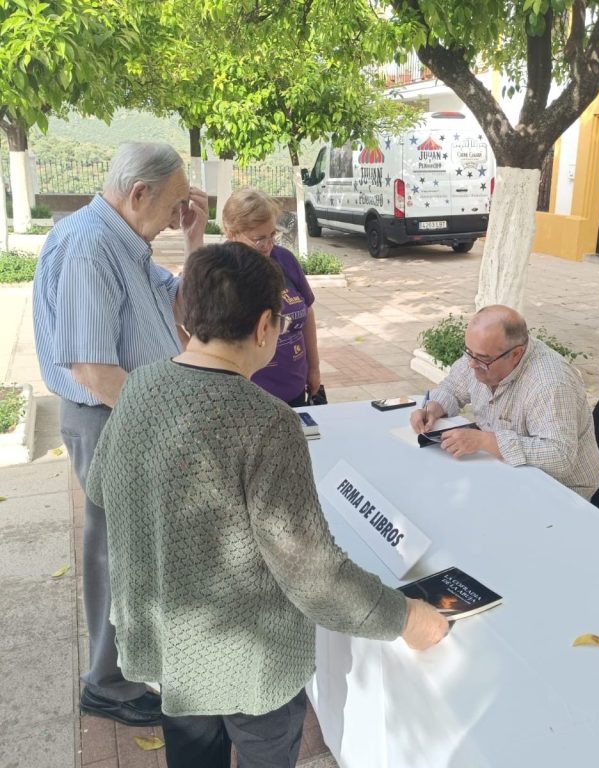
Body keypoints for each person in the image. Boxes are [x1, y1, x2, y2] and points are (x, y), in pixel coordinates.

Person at [85, 242, 449, 768]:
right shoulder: (267, 421)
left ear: (187, 314)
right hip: (249, 663)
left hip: (170, 647)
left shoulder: (140, 385)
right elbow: (314, 575)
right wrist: (406, 617)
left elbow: (103, 490)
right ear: (263, 327)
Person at [32, 142, 208, 725]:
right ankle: (107, 682)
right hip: (112, 416)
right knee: (115, 551)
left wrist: (195, 240)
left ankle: (126, 666)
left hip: (127, 413)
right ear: (139, 194)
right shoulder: (91, 247)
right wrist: (163, 417)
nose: (179, 214)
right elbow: (92, 369)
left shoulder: (124, 240)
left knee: (129, 547)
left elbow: (181, 308)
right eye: (176, 204)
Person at [410, 305, 599, 499]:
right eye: (469, 352)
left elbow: (559, 456)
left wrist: (485, 441)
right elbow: (453, 387)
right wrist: (434, 407)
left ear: (516, 354)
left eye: (483, 359)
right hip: (506, 470)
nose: (471, 364)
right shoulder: (482, 352)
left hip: (562, 490)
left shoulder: (550, 384)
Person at [222, 187, 321, 406]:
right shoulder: (221, 272)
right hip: (249, 396)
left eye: (272, 236)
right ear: (232, 233)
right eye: (259, 239)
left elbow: (307, 311)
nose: (268, 247)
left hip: (294, 387)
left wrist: (314, 368)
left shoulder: (284, 259)